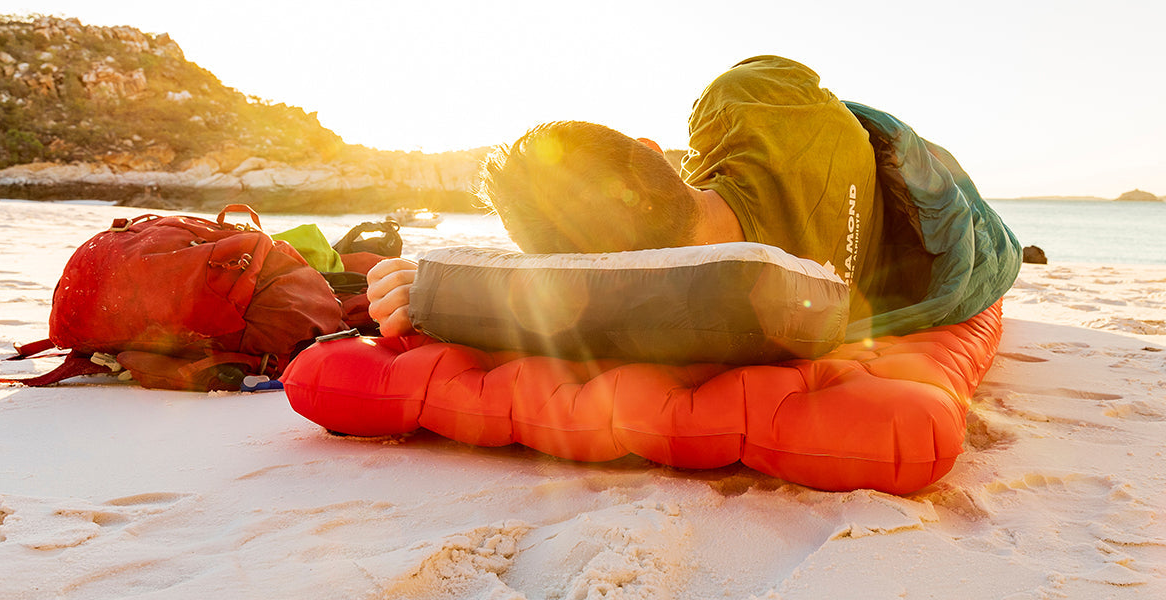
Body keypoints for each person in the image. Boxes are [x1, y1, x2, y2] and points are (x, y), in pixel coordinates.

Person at [368, 55, 1020, 340]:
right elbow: (815, 100)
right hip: (959, 231)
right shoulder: (745, 103)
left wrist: (439, 290)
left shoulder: (727, 313)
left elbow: (571, 301)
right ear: (652, 150)